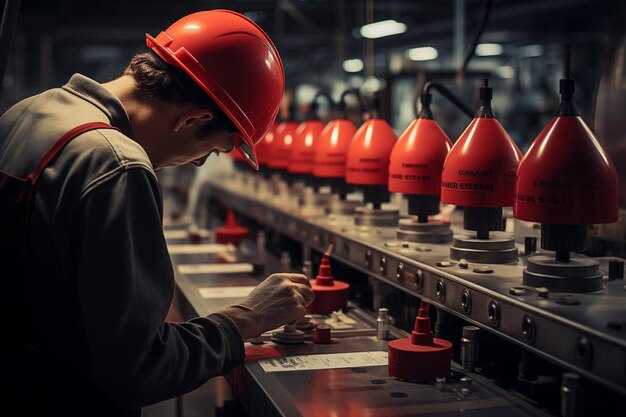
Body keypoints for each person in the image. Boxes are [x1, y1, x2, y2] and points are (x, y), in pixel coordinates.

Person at [0, 9, 314, 416]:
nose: (197, 164)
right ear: (193, 119)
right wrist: (247, 318)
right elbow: (138, 368)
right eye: (211, 152)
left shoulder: (28, 112)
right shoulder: (117, 164)